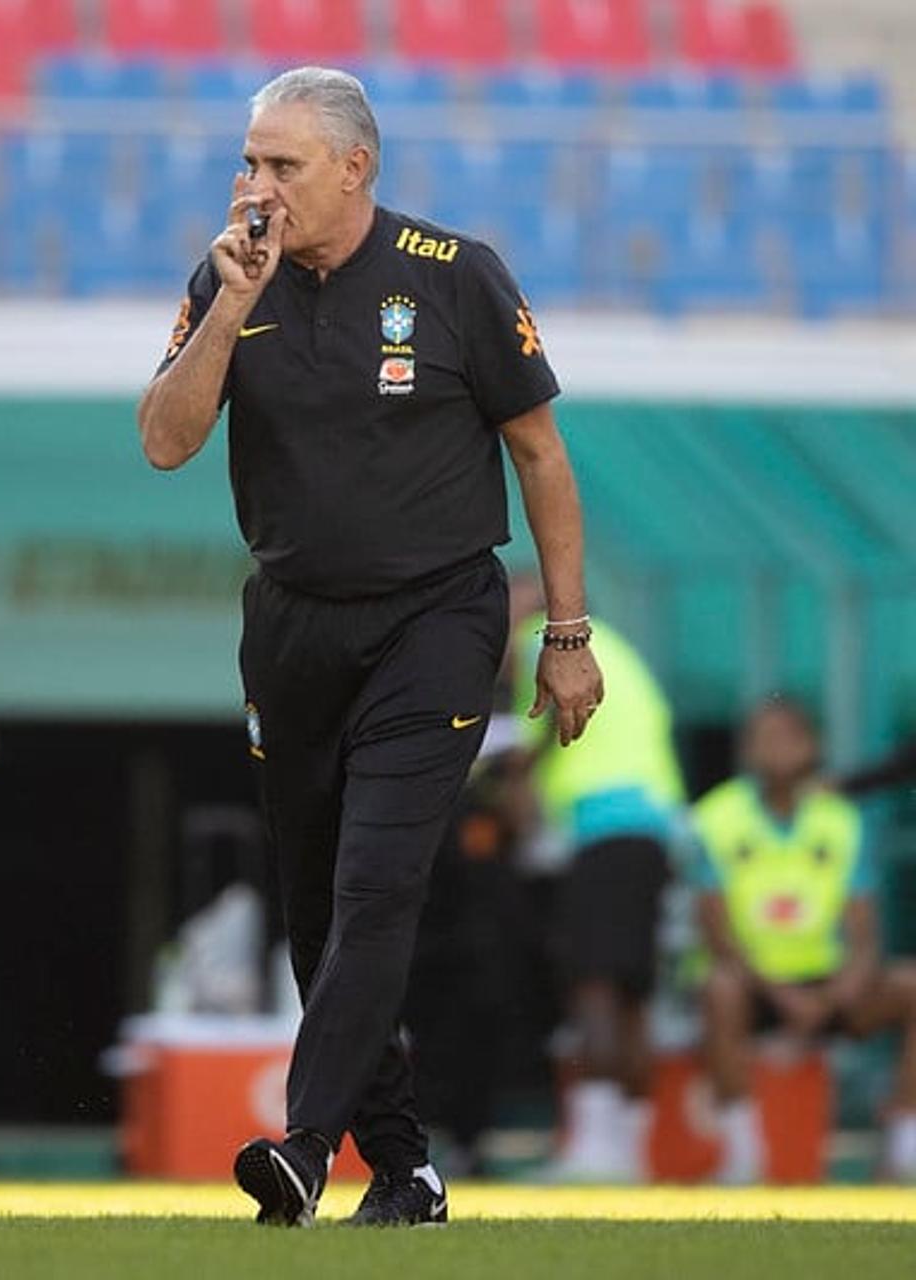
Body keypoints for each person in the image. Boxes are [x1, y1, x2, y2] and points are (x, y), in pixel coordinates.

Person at [136, 66, 603, 1227]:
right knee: (313, 909)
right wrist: (231, 309)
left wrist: (566, 632)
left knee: (376, 882)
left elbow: (542, 455)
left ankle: (301, 1147)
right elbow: (163, 440)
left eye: (282, 165)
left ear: (356, 168)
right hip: (291, 621)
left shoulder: (457, 278)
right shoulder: (230, 277)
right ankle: (405, 1170)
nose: (257, 187)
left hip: (437, 618)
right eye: (249, 162)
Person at [504, 578, 687, 1182]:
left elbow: (526, 763)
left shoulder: (545, 643)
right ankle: (627, 1150)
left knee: (595, 985)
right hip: (650, 828)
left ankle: (596, 1150)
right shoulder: (611, 645)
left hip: (605, 828)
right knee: (629, 990)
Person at [692, 698, 916, 1184]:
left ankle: (905, 1149)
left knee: (910, 986)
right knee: (718, 987)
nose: (774, 748)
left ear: (812, 745)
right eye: (762, 737)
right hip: (758, 987)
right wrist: (783, 996)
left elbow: (864, 928)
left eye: (787, 735)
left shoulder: (840, 819)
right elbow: (715, 929)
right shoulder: (718, 815)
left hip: (827, 983)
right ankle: (743, 1155)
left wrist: (839, 991)